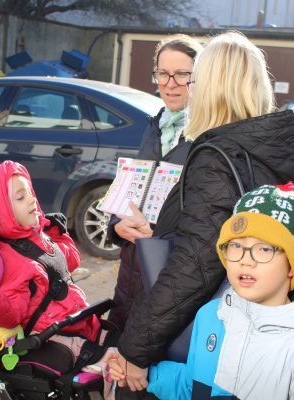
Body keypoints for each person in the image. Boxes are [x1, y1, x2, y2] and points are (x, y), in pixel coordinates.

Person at [111, 31, 294, 393]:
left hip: (197, 336)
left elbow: (196, 264)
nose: (189, 90)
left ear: (211, 88)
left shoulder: (218, 157)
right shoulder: (269, 150)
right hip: (248, 329)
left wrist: (135, 349)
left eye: (193, 80)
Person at [111, 183, 294, 399]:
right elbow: (194, 386)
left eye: (264, 249)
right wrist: (146, 374)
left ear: (292, 266)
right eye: (236, 246)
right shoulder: (212, 315)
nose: (246, 260)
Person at [0, 160, 115, 400]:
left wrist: (58, 233)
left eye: (30, 193)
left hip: (77, 321)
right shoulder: (12, 260)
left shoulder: (38, 236)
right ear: (2, 210)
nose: (31, 200)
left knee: (124, 344)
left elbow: (69, 260)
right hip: (51, 334)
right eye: (20, 197)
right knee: (113, 364)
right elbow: (10, 315)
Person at [107, 34, 202, 331]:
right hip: (133, 264)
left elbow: (204, 218)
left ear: (200, 78)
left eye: (182, 74)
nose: (170, 84)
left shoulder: (207, 135)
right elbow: (134, 188)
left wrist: (159, 235)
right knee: (120, 341)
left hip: (171, 271)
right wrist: (116, 226)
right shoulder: (155, 125)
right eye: (162, 73)